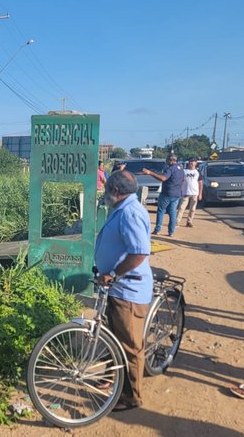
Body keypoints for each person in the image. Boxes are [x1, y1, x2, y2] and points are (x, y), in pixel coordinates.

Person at [95, 170, 153, 410]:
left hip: (127, 289)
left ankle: (131, 397)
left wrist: (115, 273)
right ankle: (113, 378)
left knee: (129, 345)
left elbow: (139, 252)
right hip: (115, 288)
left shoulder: (129, 212)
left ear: (116, 192)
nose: (106, 195)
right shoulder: (122, 208)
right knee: (114, 336)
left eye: (108, 191)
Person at [142, 154, 185, 237]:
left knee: (161, 210)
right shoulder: (181, 169)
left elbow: (163, 178)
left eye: (167, 160)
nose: (166, 162)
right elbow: (183, 180)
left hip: (167, 193)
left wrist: (150, 173)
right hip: (177, 194)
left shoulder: (170, 169)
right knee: (172, 212)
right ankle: (171, 232)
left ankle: (157, 230)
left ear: (171, 160)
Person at [176, 158, 203, 227]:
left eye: (193, 162)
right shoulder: (184, 171)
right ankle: (177, 221)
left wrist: (200, 194)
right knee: (181, 208)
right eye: (191, 161)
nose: (192, 163)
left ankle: (189, 221)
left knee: (193, 209)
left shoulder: (197, 172)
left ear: (196, 163)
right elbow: (180, 181)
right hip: (185, 192)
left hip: (194, 193)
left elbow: (200, 183)